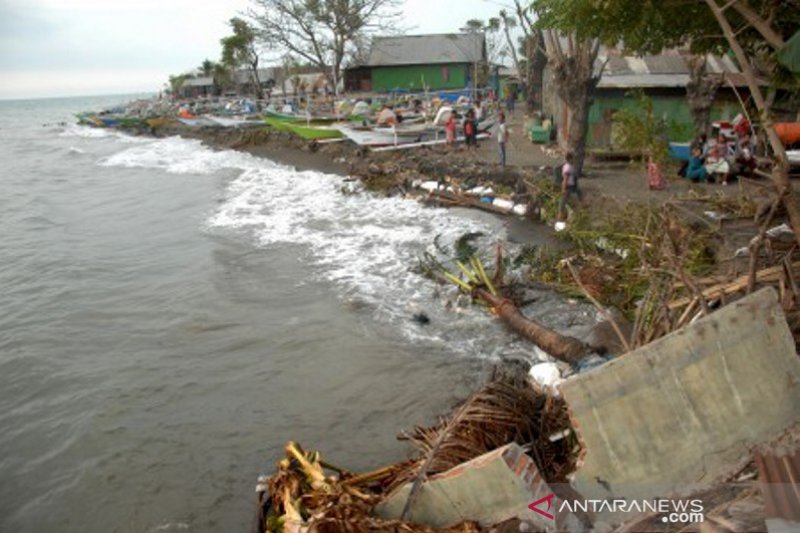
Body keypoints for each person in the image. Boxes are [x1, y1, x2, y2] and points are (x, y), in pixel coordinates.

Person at [558, 152, 582, 218]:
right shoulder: (567, 168)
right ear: (570, 159)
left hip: (572, 186)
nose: (574, 160)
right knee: (563, 200)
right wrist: (563, 188)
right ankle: (560, 214)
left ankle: (580, 208)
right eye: (572, 159)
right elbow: (565, 179)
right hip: (568, 186)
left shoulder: (570, 166)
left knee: (578, 193)